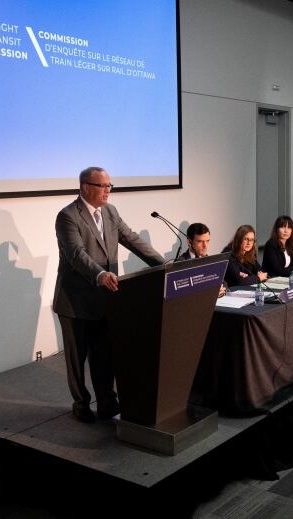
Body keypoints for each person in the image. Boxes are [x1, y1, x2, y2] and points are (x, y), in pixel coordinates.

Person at [53, 167, 166, 423]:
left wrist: (163, 265)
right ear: (85, 187)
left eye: (109, 185)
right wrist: (100, 274)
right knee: (77, 358)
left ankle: (106, 401)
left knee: (104, 354)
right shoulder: (68, 216)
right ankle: (81, 403)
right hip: (75, 301)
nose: (108, 190)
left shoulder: (111, 212)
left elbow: (132, 239)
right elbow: (76, 254)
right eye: (103, 186)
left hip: (106, 299)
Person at [178, 222, 226, 297]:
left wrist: (221, 290)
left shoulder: (208, 259)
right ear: (189, 242)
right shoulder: (181, 263)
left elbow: (222, 281)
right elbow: (184, 293)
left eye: (207, 241)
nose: (205, 246)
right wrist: (210, 293)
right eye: (200, 241)